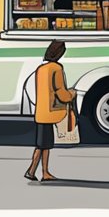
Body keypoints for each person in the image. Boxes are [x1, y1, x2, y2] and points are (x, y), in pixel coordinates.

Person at [27, 40, 76, 182]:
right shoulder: (56, 69)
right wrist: (72, 94)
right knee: (43, 145)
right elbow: (61, 93)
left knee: (44, 145)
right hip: (50, 113)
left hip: (41, 112)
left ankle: (42, 172)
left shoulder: (40, 69)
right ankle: (34, 171)